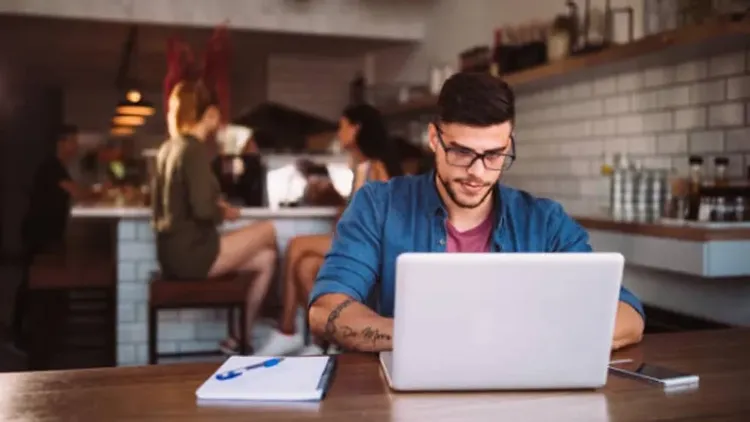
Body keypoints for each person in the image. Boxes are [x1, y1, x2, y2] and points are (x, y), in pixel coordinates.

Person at [308, 72, 646, 353]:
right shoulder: (379, 205)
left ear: (509, 144)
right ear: (434, 139)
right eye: (461, 152)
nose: (478, 172)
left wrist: (519, 338)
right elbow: (326, 310)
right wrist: (430, 339)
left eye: (494, 155)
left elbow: (627, 315)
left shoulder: (544, 221)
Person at [152, 79, 278, 354]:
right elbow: (202, 210)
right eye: (217, 113)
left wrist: (215, 204)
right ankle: (281, 322)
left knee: (266, 259)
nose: (220, 120)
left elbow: (182, 202)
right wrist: (223, 210)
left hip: (171, 255)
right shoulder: (194, 149)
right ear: (208, 113)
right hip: (193, 255)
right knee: (268, 230)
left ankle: (238, 338)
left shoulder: (169, 148)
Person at [274, 104, 403, 354]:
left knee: (296, 245)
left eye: (342, 126)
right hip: (355, 241)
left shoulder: (375, 166)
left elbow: (385, 215)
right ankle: (325, 341)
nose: (338, 132)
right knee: (305, 267)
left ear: (356, 129)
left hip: (370, 247)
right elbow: (353, 212)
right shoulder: (360, 166)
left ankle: (287, 329)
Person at [24, 124, 103, 253]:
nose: (76, 146)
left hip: (48, 230)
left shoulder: (58, 166)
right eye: (73, 141)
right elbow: (77, 193)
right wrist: (100, 191)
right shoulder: (52, 166)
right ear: (61, 143)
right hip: (41, 231)